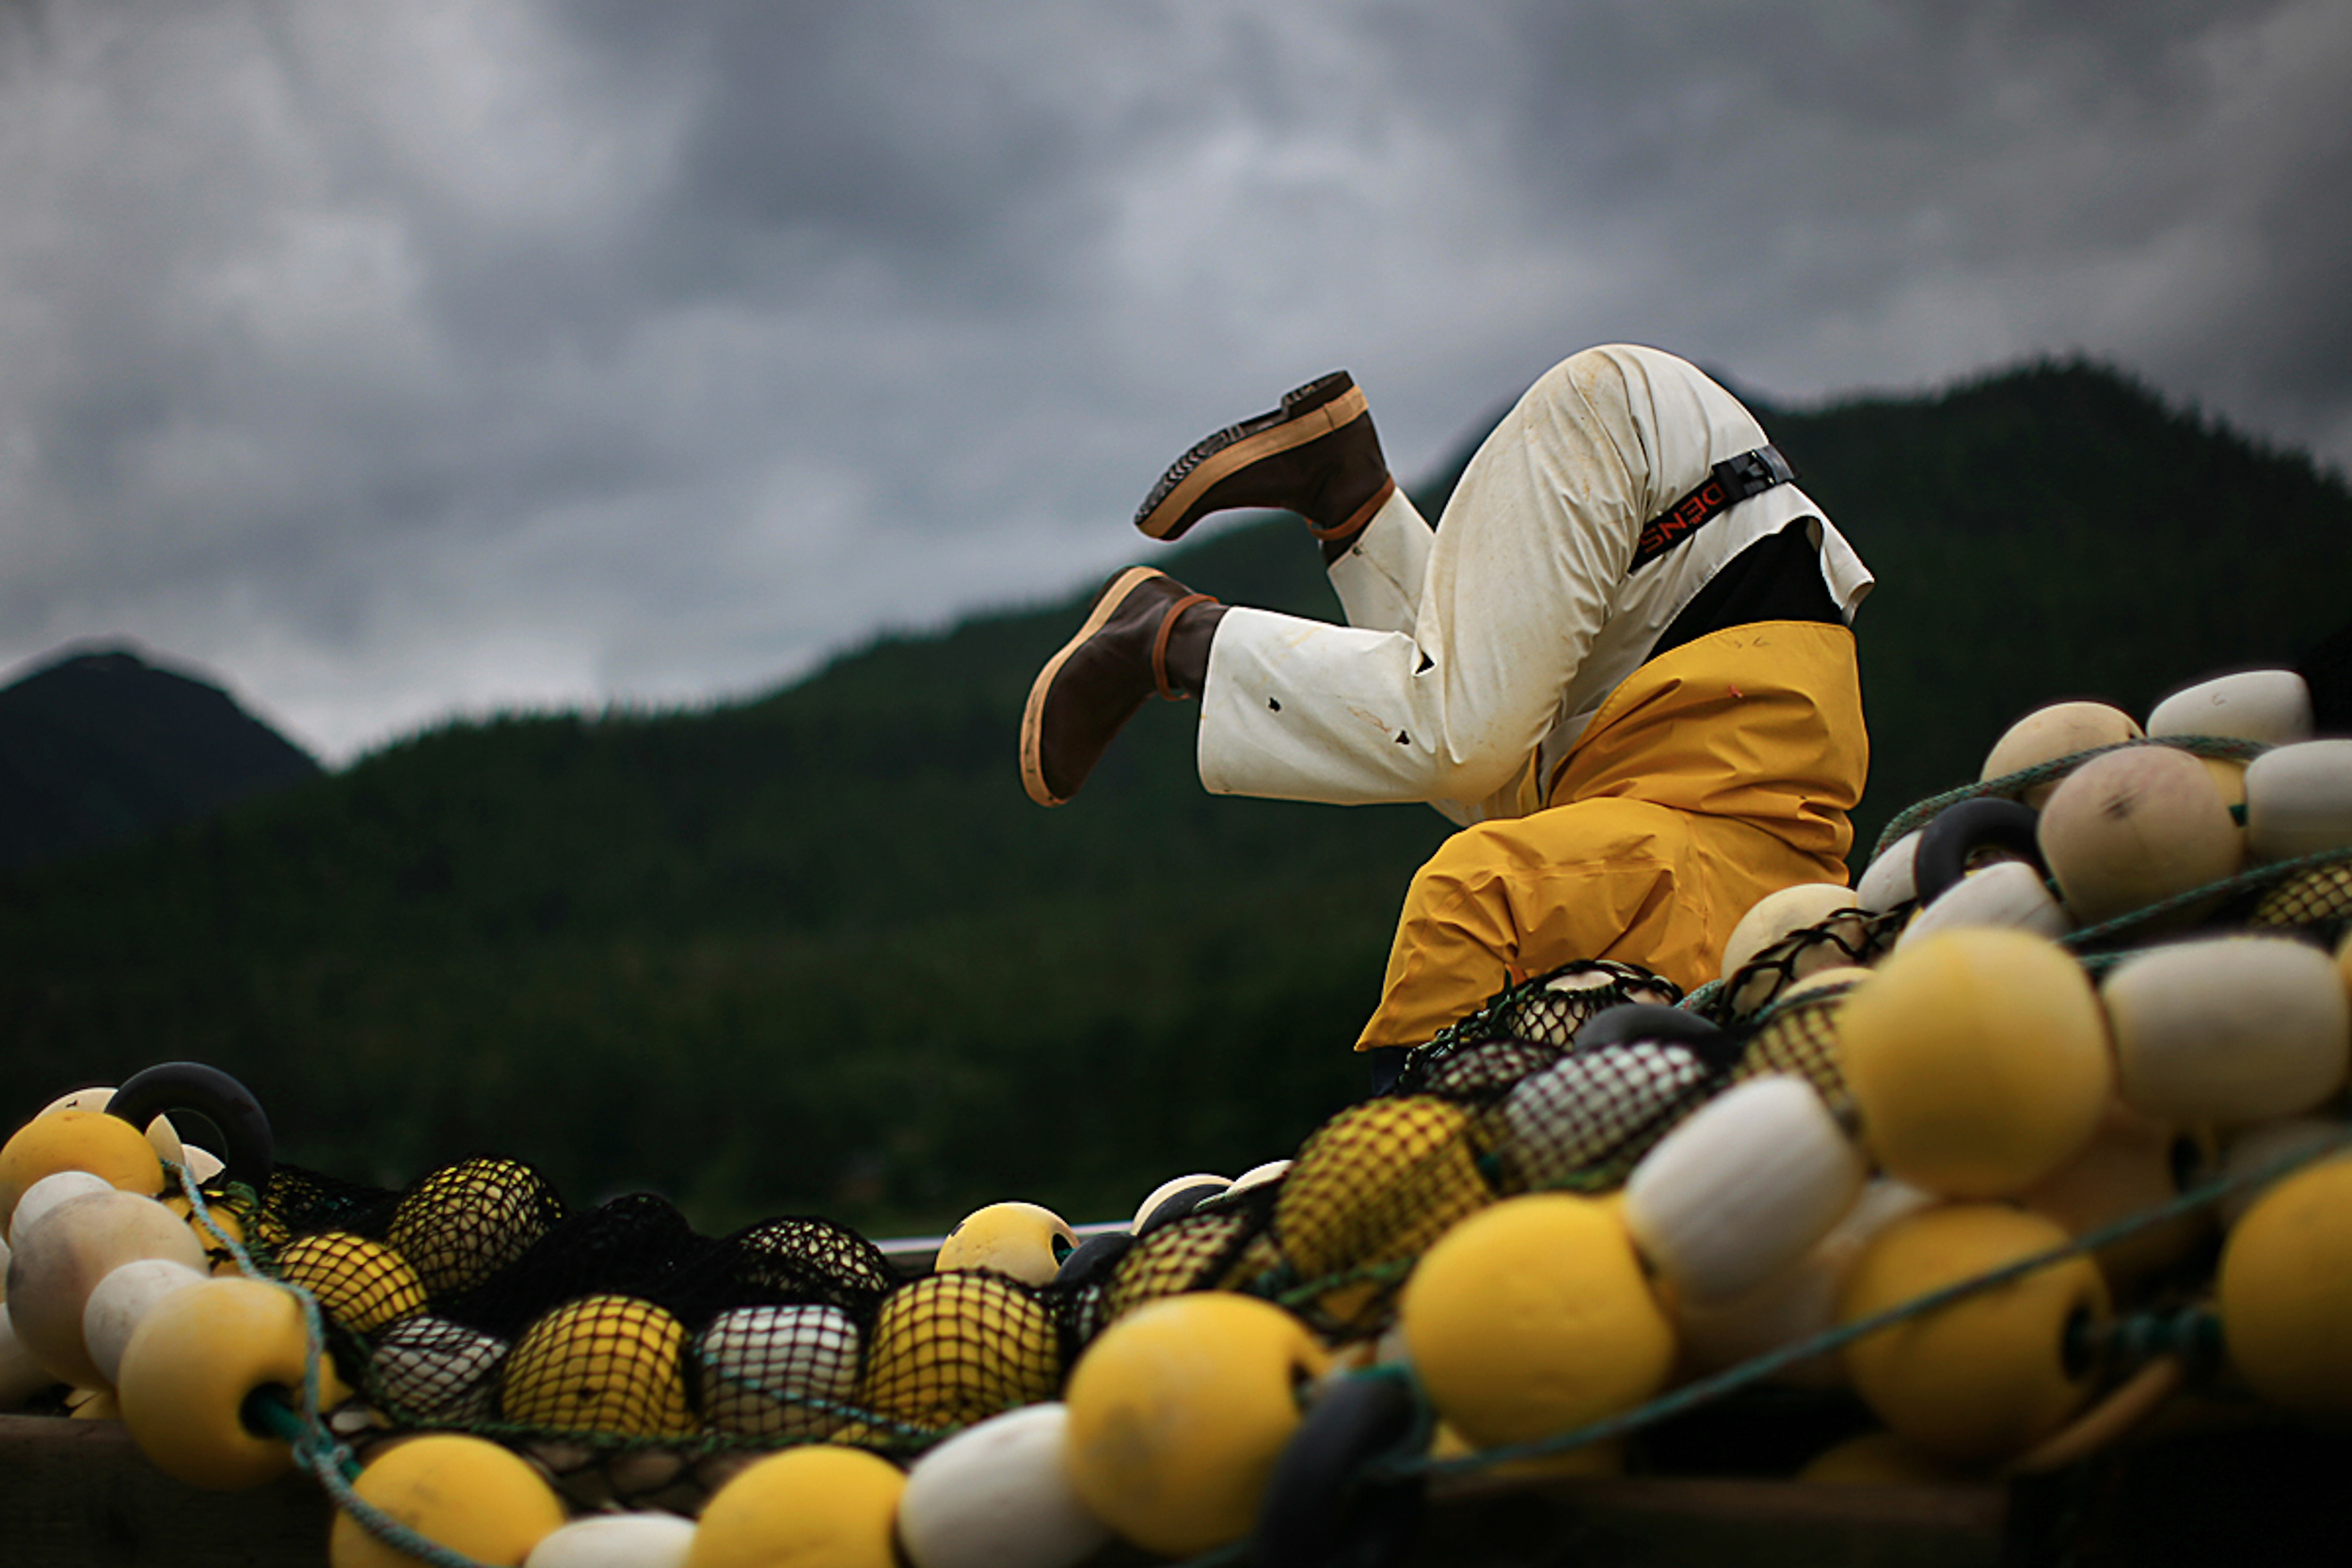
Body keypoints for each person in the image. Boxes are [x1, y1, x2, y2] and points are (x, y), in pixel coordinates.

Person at [1020, 345, 1873, 1082]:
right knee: (1462, 757)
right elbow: (1473, 891)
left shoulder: (1687, 899)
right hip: (1639, 444)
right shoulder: (1721, 920)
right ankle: (1169, 636)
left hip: (1664, 615)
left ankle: (1349, 498)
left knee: (1486, 773)